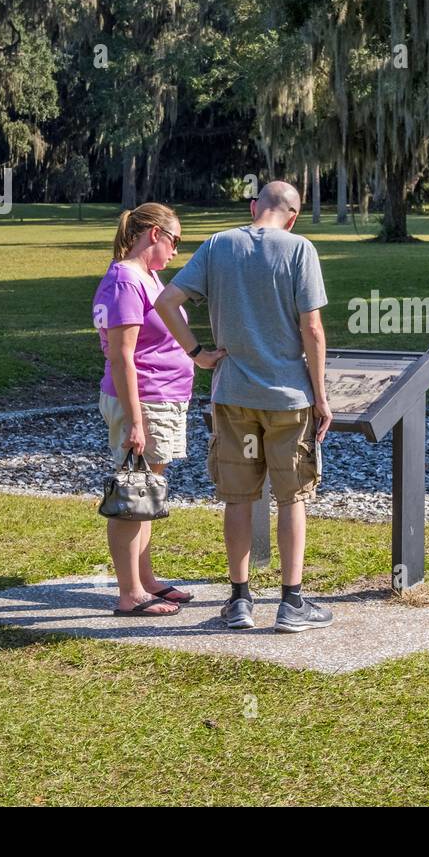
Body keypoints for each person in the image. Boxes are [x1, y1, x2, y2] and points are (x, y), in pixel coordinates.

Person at [154, 181, 333, 633]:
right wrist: (321, 396)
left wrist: (198, 353)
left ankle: (239, 600)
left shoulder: (217, 245)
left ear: (255, 207)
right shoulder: (299, 250)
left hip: (232, 395)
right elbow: (312, 329)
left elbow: (166, 301)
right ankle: (291, 603)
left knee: (238, 497)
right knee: (292, 497)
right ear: (292, 216)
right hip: (289, 399)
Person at [92, 202, 226, 616]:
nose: (176, 252)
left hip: (162, 397)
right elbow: (121, 356)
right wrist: (135, 420)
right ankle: (130, 594)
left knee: (147, 490)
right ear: (154, 234)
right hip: (144, 400)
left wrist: (198, 355)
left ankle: (145, 580)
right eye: (175, 241)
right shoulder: (125, 281)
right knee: (133, 492)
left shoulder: (147, 277)